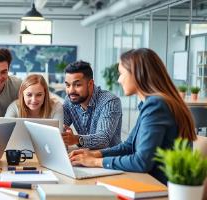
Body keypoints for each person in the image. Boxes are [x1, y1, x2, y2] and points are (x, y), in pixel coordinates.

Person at [69, 48, 197, 184]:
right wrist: (95, 154)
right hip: (150, 181)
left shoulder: (156, 105)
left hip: (159, 187)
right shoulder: (151, 103)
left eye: (121, 74)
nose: (119, 80)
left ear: (136, 74)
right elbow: (129, 146)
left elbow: (142, 162)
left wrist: (95, 162)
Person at [62, 60, 122, 149]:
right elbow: (60, 126)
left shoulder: (110, 101)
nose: (71, 91)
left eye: (77, 85)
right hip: (85, 156)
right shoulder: (69, 100)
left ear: (90, 83)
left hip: (108, 159)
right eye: (68, 85)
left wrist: (76, 139)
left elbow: (103, 139)